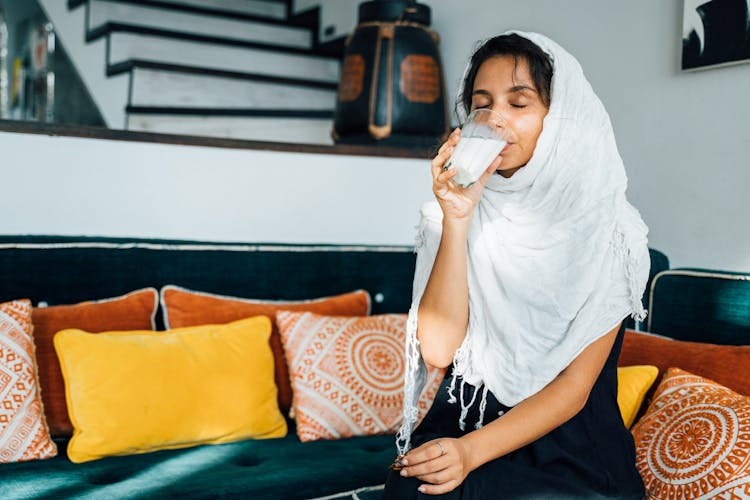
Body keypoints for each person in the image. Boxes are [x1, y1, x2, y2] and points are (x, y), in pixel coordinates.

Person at [383, 31, 649, 499]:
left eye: (519, 103)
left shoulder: (611, 229)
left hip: (570, 443)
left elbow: (574, 386)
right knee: (411, 490)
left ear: (559, 118)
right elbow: (439, 353)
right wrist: (458, 219)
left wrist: (470, 454)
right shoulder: (449, 211)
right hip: (466, 417)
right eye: (481, 105)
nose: (495, 120)